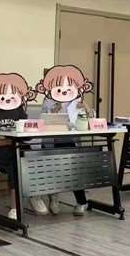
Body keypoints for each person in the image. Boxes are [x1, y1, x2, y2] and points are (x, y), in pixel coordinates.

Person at [35, 65, 94, 216]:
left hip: (68, 138)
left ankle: (81, 202)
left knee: (73, 168)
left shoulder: (75, 97)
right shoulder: (48, 99)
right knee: (51, 168)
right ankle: (54, 198)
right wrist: (54, 110)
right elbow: (43, 120)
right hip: (50, 139)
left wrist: (86, 107)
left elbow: (92, 117)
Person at [0, 73, 36, 220]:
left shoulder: (18, 110)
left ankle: (34, 193)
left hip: (11, 149)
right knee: (15, 160)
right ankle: (15, 207)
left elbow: (25, 131)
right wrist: (7, 142)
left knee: (29, 154)